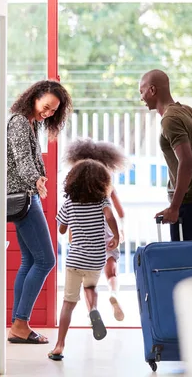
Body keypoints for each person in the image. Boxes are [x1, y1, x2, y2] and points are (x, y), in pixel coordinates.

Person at [6, 80, 72, 344]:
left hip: (25, 195)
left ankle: (18, 325)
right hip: (24, 196)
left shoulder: (28, 122)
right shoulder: (20, 122)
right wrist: (36, 180)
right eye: (46, 107)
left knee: (30, 261)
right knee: (46, 260)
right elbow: (21, 159)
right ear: (34, 97)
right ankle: (20, 324)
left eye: (54, 111)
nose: (49, 113)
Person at [48, 159, 120, 361]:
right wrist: (116, 236)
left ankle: (59, 345)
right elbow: (110, 216)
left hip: (75, 260)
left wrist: (70, 222)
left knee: (68, 303)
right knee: (90, 287)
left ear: (73, 182)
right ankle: (94, 310)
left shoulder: (69, 203)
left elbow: (61, 229)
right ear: (102, 182)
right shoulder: (102, 202)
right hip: (96, 259)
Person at [139, 69, 192, 240]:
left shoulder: (169, 120)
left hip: (189, 202)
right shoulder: (190, 112)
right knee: (189, 256)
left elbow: (187, 163)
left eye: (141, 91)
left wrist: (174, 207)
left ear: (152, 90)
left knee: (181, 261)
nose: (141, 97)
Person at [63, 138, 129, 322]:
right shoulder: (105, 184)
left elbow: (69, 218)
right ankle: (113, 292)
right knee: (111, 269)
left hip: (84, 237)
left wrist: (71, 235)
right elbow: (118, 211)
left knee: (88, 280)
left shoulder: (76, 189)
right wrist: (120, 231)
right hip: (106, 232)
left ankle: (92, 310)